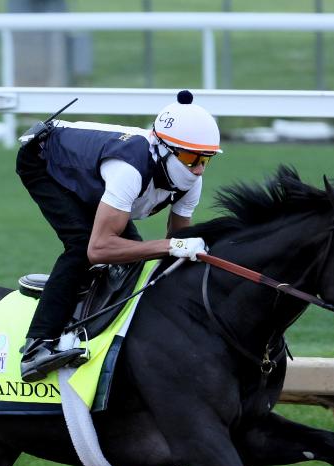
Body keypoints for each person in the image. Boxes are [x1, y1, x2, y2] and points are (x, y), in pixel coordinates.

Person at [15, 89, 222, 382]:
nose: (199, 170)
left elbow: (177, 247)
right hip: (44, 161)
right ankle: (37, 346)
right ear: (163, 148)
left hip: (96, 172)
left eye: (207, 160)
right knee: (81, 246)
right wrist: (173, 245)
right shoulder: (129, 168)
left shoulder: (190, 181)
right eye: (191, 158)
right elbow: (99, 249)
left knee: (133, 258)